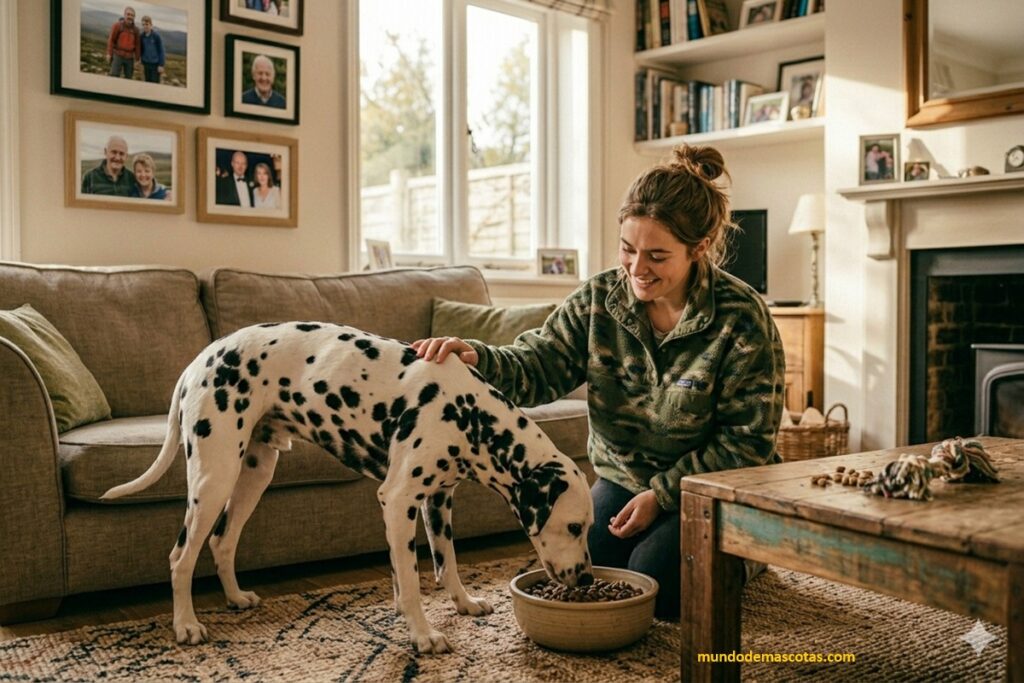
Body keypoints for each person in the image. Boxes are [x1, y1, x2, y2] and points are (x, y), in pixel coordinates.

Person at [412, 145, 786, 619]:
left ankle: (749, 554)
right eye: (628, 249)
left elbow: (748, 442)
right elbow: (540, 363)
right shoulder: (600, 298)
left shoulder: (742, 318)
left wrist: (664, 496)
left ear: (699, 248)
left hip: (711, 487)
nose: (636, 268)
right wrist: (478, 357)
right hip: (624, 479)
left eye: (656, 255)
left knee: (662, 588)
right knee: (583, 576)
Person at [106, 6, 141, 79]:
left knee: (128, 77)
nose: (130, 17)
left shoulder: (136, 30)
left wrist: (137, 59)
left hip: (129, 58)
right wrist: (109, 53)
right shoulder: (117, 26)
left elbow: (137, 45)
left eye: (132, 15)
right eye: (128, 14)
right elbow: (111, 40)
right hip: (117, 55)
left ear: (134, 17)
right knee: (114, 76)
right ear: (124, 15)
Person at [138, 15, 165, 84]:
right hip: (146, 64)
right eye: (143, 24)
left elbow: (161, 51)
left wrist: (161, 65)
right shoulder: (141, 36)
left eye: (147, 24)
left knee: (154, 83)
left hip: (155, 65)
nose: (145, 26)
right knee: (147, 81)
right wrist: (139, 59)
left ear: (151, 25)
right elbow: (140, 49)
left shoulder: (156, 36)